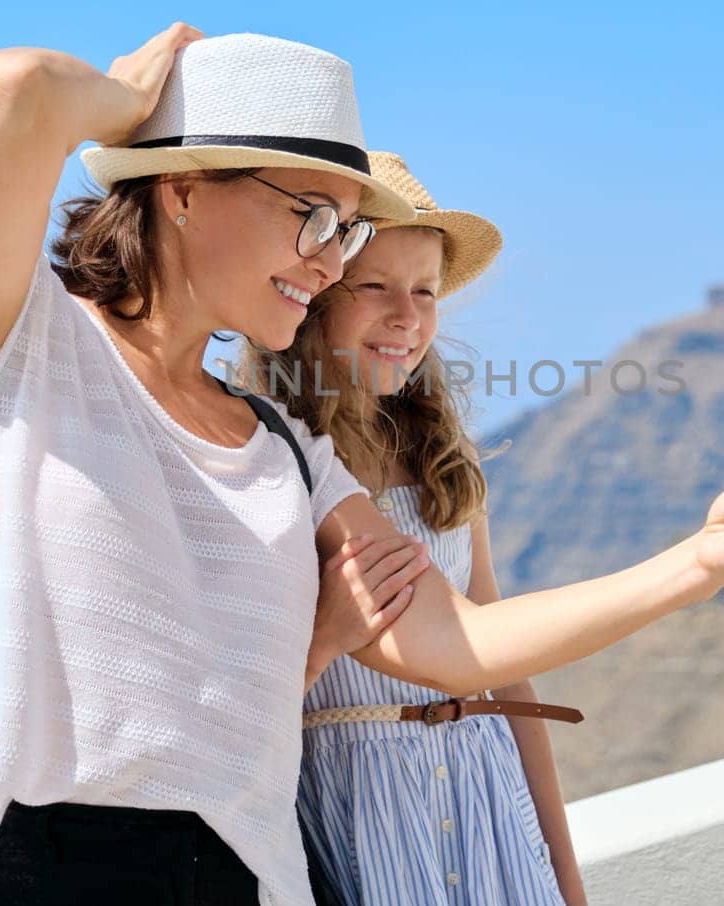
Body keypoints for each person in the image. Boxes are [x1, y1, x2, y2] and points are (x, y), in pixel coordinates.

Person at [0, 23, 724, 906]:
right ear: (181, 190)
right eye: (314, 217)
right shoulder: (18, 358)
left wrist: (712, 556)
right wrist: (136, 102)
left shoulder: (286, 452)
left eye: (345, 229)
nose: (328, 258)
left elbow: (458, 646)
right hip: (5, 875)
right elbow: (7, 95)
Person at [248, 152, 587, 904]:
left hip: (484, 796)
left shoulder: (442, 456)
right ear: (317, 295)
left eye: (426, 292)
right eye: (375, 287)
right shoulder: (268, 455)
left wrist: (563, 875)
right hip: (357, 804)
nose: (407, 317)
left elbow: (502, 665)